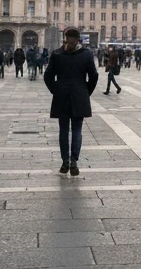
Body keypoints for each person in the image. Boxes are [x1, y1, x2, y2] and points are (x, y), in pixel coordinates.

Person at [44, 28, 98, 176]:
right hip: (80, 95)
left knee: (63, 130)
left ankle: (65, 162)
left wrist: (55, 90)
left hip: (62, 96)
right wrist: (86, 91)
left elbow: (48, 76)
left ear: (65, 38)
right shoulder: (86, 54)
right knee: (77, 130)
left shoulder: (57, 54)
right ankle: (74, 161)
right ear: (79, 39)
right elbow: (94, 76)